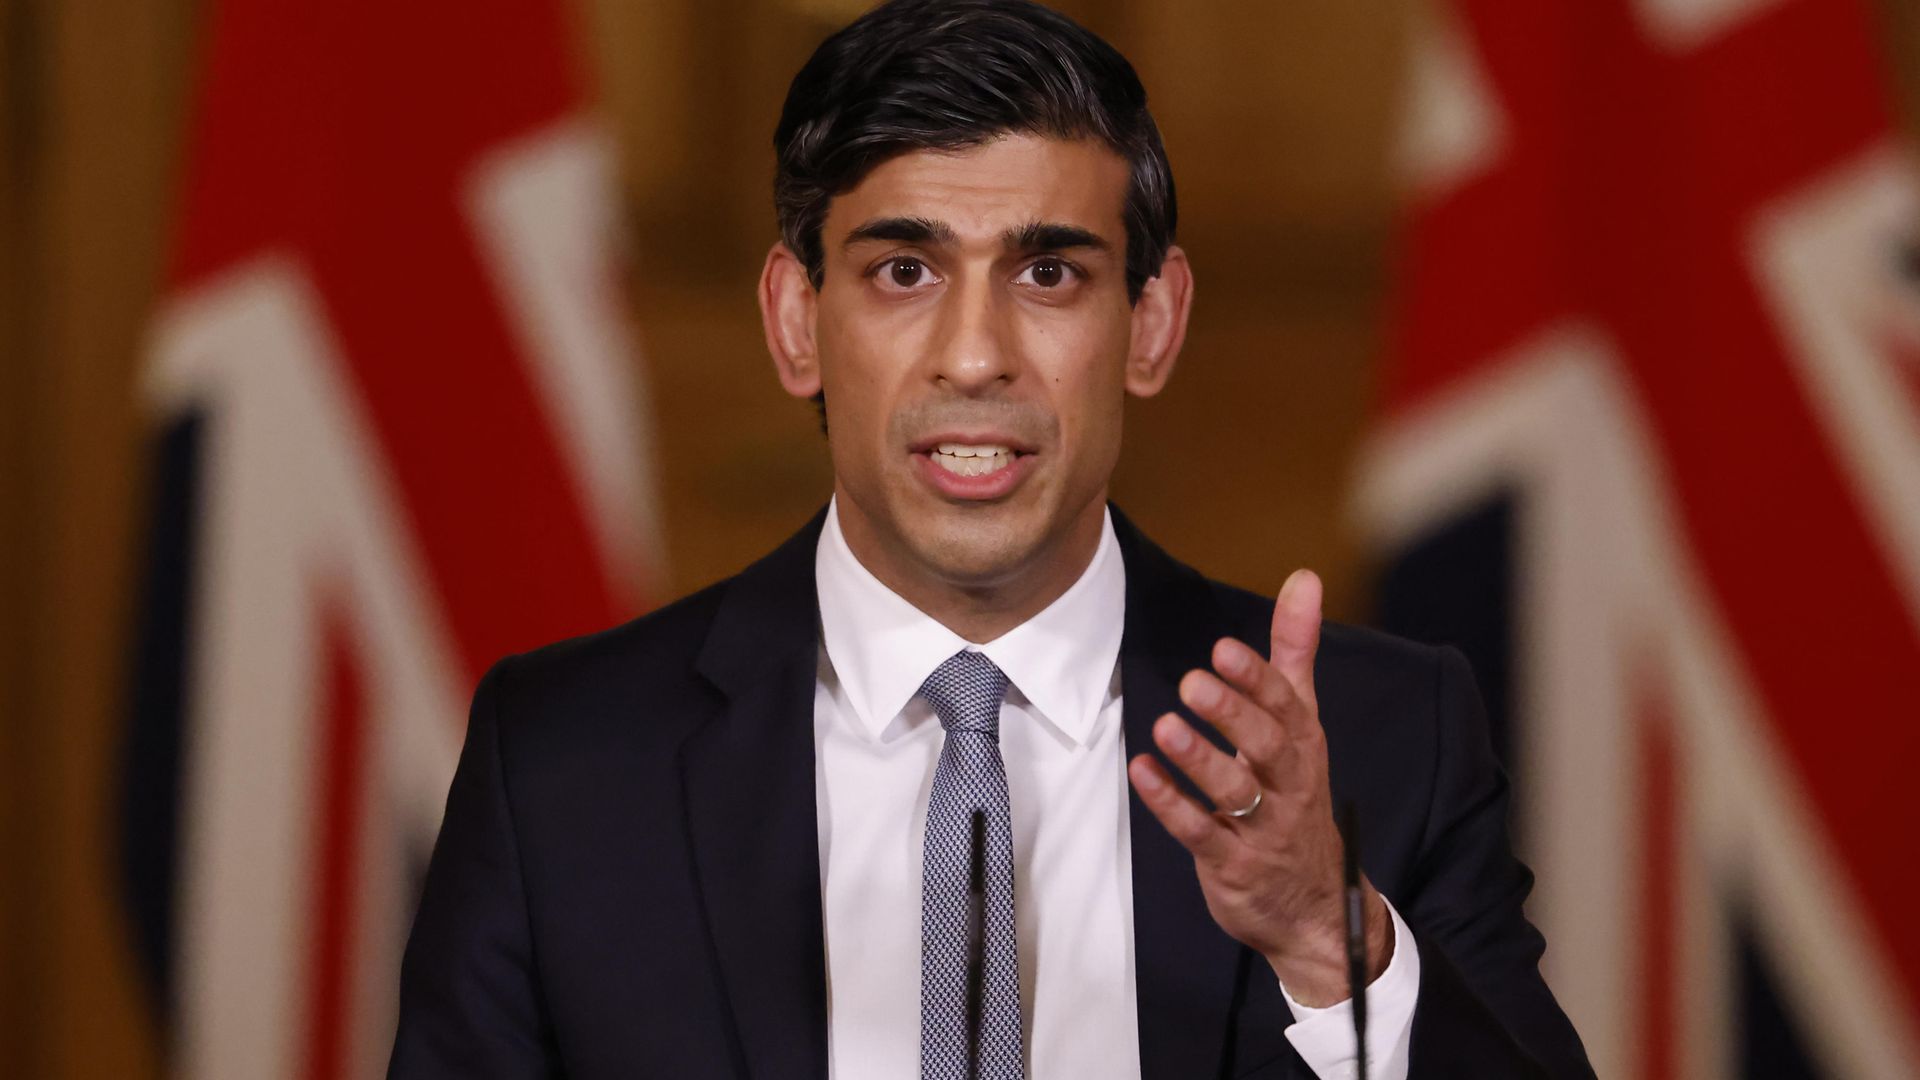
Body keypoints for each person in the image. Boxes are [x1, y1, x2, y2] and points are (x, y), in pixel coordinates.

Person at [389, 1, 1593, 1076]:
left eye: (1050, 274)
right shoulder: (564, 766)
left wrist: (1334, 950)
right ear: (797, 321)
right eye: (905, 270)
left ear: (1153, 323)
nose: (975, 355)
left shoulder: (1384, 739)